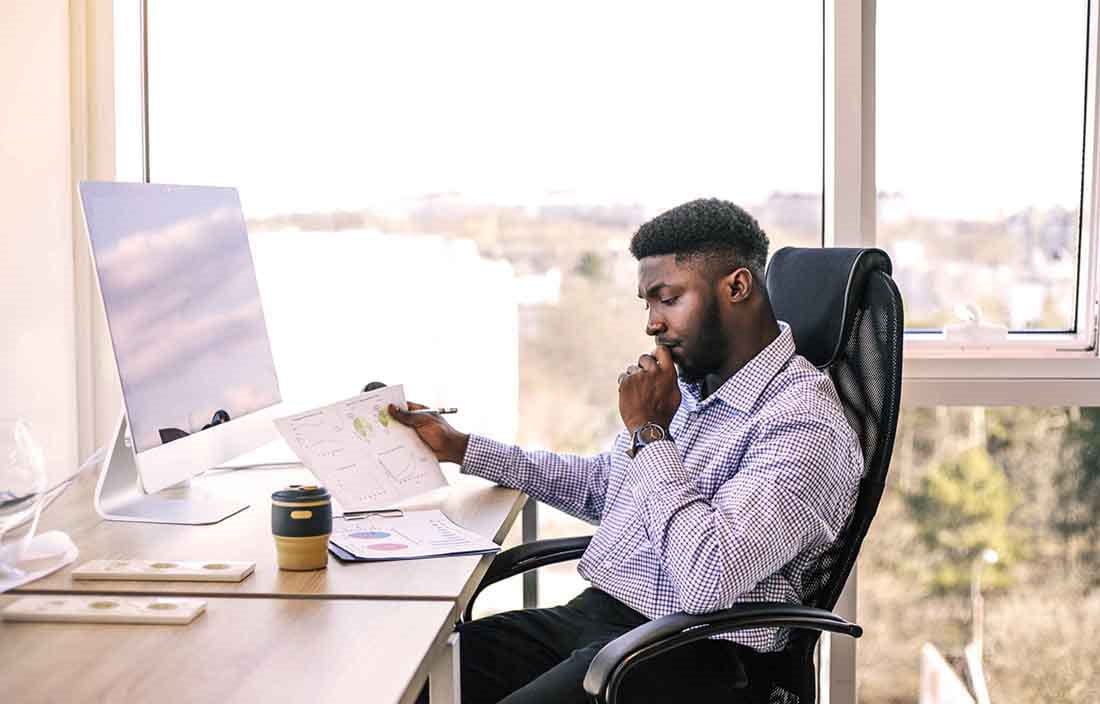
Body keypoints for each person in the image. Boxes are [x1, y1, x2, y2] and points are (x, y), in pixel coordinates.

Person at [392, 198, 864, 704]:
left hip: (699, 650)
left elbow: (709, 576)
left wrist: (650, 434)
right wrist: (460, 447)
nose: (652, 324)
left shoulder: (804, 424)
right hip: (598, 618)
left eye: (667, 298)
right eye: (647, 303)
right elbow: (605, 484)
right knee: (414, 678)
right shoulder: (697, 390)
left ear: (737, 286)